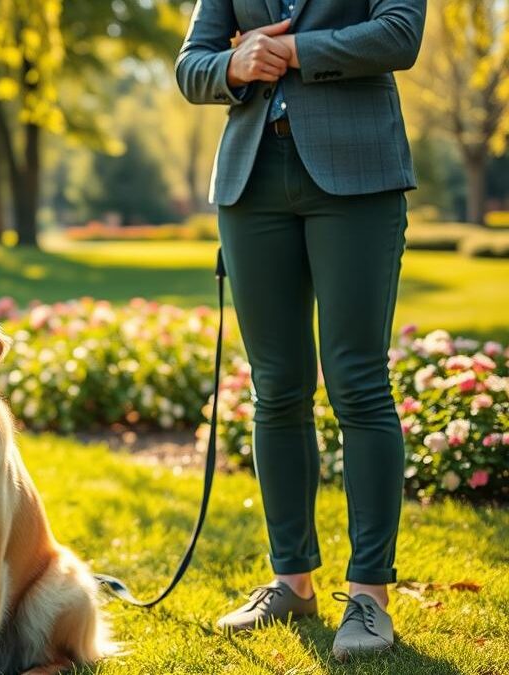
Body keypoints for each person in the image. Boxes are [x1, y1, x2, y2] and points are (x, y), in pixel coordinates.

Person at [175, 0, 426, 661]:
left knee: (358, 382)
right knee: (276, 387)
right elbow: (190, 65)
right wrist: (235, 61)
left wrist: (292, 51)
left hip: (360, 176)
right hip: (251, 183)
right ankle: (292, 580)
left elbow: (401, 34)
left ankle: (369, 595)